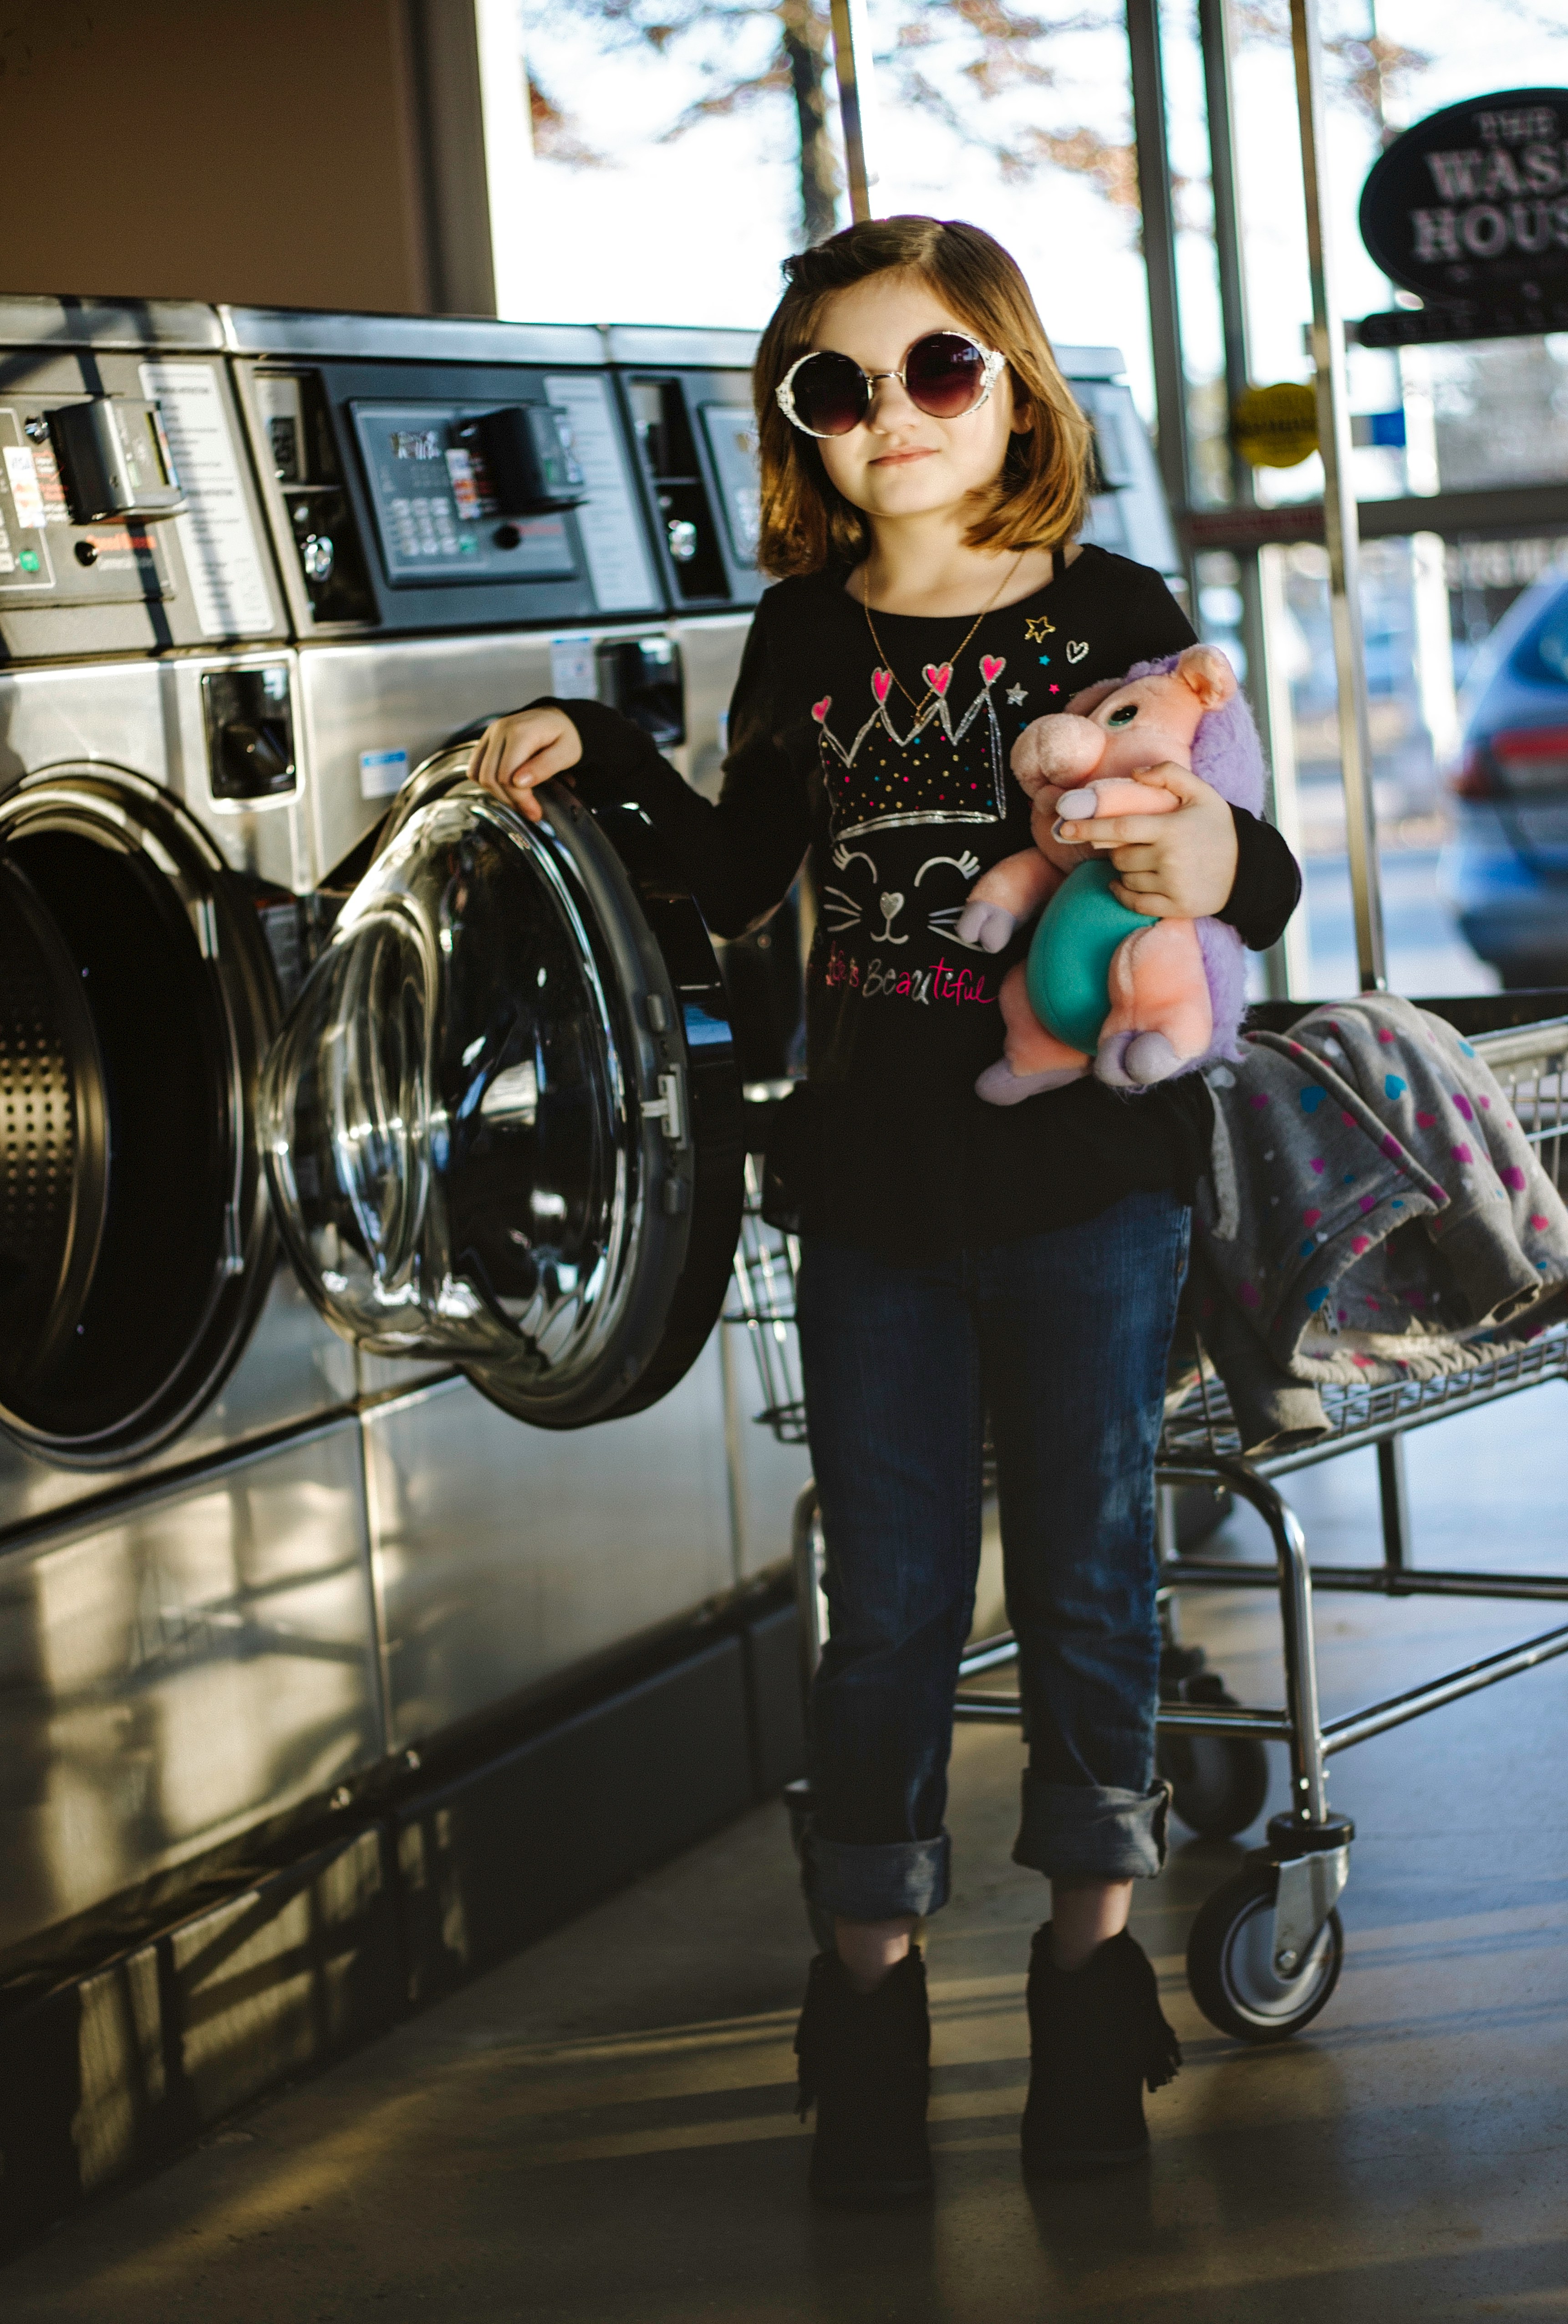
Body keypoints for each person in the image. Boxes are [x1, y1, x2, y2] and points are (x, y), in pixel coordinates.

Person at [469, 215, 1301, 2208]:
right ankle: (871, 2000)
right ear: (801, 430)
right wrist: (602, 765)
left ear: (1012, 379)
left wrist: (1205, 846)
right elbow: (749, 869)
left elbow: (1247, 875)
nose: (890, 419)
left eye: (936, 370)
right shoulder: (809, 638)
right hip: (866, 1191)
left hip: (1086, 1181)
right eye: (835, 389)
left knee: (1094, 1581)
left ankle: (1090, 1987)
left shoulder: (1112, 606)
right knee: (892, 1607)